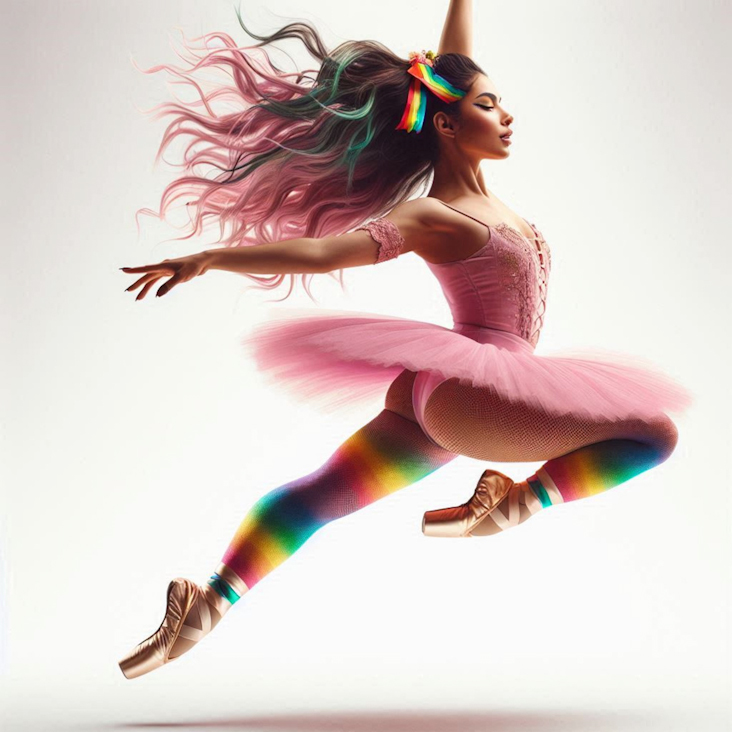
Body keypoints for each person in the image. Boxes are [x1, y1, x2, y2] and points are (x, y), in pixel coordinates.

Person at [118, 1, 692, 679]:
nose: (506, 114)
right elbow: (327, 252)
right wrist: (212, 259)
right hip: (478, 390)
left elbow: (450, 64)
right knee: (653, 434)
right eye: (489, 103)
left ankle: (208, 602)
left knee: (321, 494)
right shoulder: (433, 215)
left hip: (436, 394)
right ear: (447, 124)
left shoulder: (477, 199)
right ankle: (511, 504)